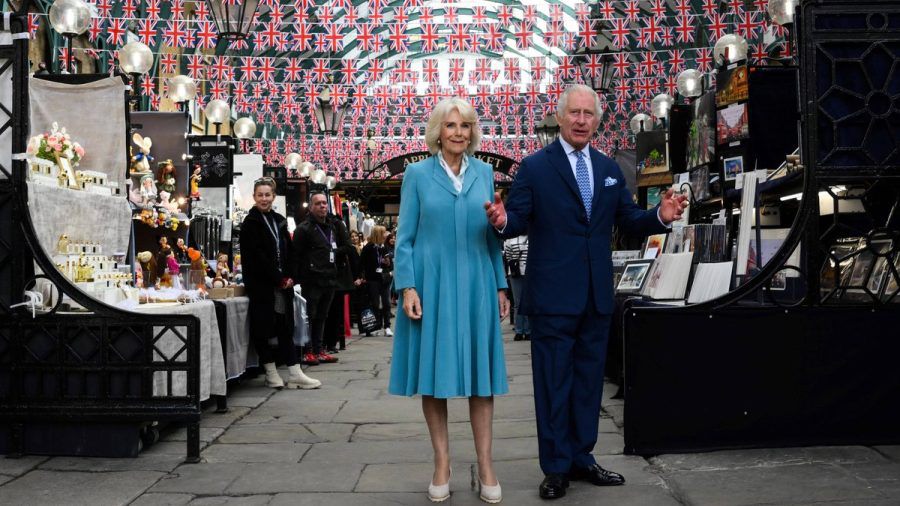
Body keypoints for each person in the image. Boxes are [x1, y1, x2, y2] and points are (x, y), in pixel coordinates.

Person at [485, 84, 687, 500]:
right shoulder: (535, 167)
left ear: (598, 120)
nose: (580, 120)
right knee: (553, 384)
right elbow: (518, 220)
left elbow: (629, 219)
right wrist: (503, 220)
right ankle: (556, 467)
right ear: (559, 118)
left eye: (588, 114)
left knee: (587, 383)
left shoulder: (608, 167)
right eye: (573, 113)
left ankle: (583, 457)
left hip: (597, 297)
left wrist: (660, 217)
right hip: (553, 298)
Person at [389, 97, 509, 504]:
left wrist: (500, 285)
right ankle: (442, 463)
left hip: (476, 282)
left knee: (481, 377)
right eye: (451, 125)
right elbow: (404, 239)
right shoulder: (416, 175)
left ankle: (486, 465)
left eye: (466, 126)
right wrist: (407, 286)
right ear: (438, 131)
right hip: (432, 285)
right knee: (434, 378)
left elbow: (493, 236)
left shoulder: (486, 172)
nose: (459, 132)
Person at [240, 177, 321, 390]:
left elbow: (291, 251)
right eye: (260, 195)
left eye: (267, 195)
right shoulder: (250, 223)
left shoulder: (279, 220)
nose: (264, 199)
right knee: (263, 329)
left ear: (273, 197)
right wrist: (278, 278)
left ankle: (294, 372)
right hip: (262, 286)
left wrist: (291, 276)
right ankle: (270, 372)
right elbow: (257, 256)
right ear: (254, 197)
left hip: (283, 286)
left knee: (285, 328)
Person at [292, 192, 351, 366]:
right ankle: (308, 350)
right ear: (311, 207)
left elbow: (340, 249)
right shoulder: (304, 229)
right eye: (318, 203)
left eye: (325, 203)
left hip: (329, 278)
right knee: (310, 316)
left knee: (322, 316)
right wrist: (296, 278)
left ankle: (319, 349)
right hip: (311, 280)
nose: (323, 206)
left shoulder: (332, 227)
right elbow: (296, 256)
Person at [360, 226, 393, 337]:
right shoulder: (368, 248)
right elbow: (362, 264)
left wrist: (387, 263)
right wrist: (362, 277)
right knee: (374, 304)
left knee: (386, 303)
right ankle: (375, 326)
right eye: (383, 233)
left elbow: (390, 264)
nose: (386, 235)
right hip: (373, 279)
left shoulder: (385, 247)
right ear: (378, 234)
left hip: (385, 279)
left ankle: (387, 326)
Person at [503, 234, 531, 341]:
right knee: (518, 303)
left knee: (527, 302)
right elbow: (508, 256)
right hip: (516, 274)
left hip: (527, 273)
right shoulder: (510, 239)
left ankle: (526, 330)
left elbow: (509, 256)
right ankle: (520, 330)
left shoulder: (510, 240)